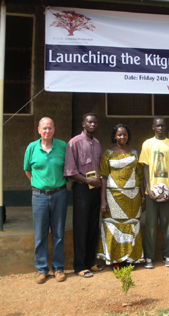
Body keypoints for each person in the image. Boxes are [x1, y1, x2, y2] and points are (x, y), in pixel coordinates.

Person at [24, 117, 68, 284]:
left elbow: (68, 168)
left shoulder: (62, 146)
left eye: (50, 128)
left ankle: (58, 268)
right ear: (38, 130)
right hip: (39, 196)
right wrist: (39, 185)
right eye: (44, 128)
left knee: (58, 233)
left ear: (54, 130)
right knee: (41, 234)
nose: (47, 131)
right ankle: (42, 269)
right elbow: (28, 171)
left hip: (60, 194)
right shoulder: (32, 148)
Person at [97, 124, 145, 268]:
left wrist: (143, 197)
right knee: (113, 226)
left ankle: (131, 258)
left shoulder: (135, 153)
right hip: (113, 197)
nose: (122, 137)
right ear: (115, 136)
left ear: (128, 136)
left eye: (125, 134)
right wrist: (103, 200)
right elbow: (103, 177)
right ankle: (115, 259)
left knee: (131, 226)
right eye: (119, 135)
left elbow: (140, 176)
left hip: (133, 197)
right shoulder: (108, 153)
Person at [64, 113, 103, 278]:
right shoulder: (74, 143)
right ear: (83, 124)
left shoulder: (97, 143)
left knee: (93, 226)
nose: (92, 124)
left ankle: (90, 262)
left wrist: (96, 183)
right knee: (81, 227)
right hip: (81, 190)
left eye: (95, 122)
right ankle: (80, 266)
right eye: (89, 122)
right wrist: (89, 181)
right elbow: (70, 171)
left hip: (95, 190)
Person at [139, 116, 169, 269]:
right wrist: (148, 190)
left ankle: (167, 255)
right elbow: (145, 167)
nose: (161, 128)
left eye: (163, 126)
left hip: (168, 193)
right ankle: (149, 257)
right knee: (150, 225)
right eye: (158, 126)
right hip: (152, 193)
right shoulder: (147, 144)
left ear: (166, 127)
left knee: (167, 225)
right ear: (153, 127)